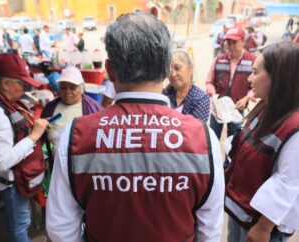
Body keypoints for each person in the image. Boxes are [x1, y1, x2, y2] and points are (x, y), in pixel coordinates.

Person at [46, 12, 224, 242]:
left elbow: (61, 230)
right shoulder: (203, 137)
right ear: (166, 69)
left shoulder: (76, 135)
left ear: (109, 71)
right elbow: (210, 231)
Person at [0, 53, 49, 241]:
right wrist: (34, 136)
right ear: (6, 83)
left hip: (16, 178)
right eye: (23, 84)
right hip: (11, 182)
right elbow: (2, 162)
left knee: (21, 222)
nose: (26, 89)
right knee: (20, 225)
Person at [225, 41, 299, 242]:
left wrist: (263, 228)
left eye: (255, 72)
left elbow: (288, 182)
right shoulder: (265, 109)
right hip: (243, 213)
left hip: (260, 226)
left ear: (279, 78)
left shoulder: (294, 126)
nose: (250, 79)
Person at [206, 27, 255, 160]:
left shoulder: (252, 61)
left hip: (237, 109)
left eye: (234, 42)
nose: (231, 46)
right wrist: (213, 94)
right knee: (213, 139)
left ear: (243, 41)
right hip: (218, 109)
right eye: (228, 43)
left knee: (233, 141)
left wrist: (246, 99)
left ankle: (228, 167)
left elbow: (255, 87)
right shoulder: (218, 59)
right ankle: (212, 164)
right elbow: (209, 82)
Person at [41, 66, 103, 156]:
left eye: (72, 87)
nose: (67, 91)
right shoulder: (50, 108)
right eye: (63, 87)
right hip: (56, 164)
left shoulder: (94, 109)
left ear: (81, 88)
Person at [163, 50, 210, 121]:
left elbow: (194, 129)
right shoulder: (163, 95)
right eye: (169, 70)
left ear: (191, 68)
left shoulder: (201, 98)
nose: (173, 74)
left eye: (177, 68)